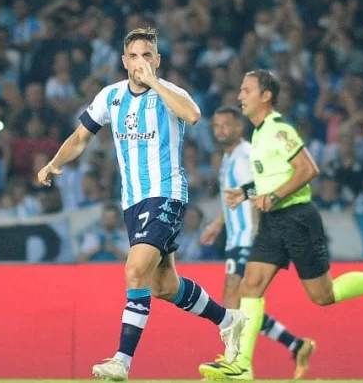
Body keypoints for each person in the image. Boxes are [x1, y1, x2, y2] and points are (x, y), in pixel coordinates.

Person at [36, 28, 247, 382]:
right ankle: (229, 320)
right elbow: (81, 136)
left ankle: (122, 361)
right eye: (134, 56)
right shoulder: (111, 96)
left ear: (157, 60)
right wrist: (54, 162)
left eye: (147, 56)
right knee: (164, 286)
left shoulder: (170, 94)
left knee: (135, 270)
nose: (140, 62)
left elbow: (194, 115)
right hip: (132, 202)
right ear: (124, 61)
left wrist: (155, 83)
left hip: (166, 193)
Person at [198, 70, 363, 381]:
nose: (240, 96)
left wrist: (274, 197)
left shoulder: (278, 129)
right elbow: (273, 177)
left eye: (247, 90)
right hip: (273, 221)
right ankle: (241, 366)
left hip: (297, 219)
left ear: (266, 96)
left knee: (323, 295)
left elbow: (308, 169)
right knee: (250, 286)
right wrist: (246, 192)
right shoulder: (259, 134)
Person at [200, 105, 316, 379]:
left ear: (239, 127)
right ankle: (295, 344)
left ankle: (235, 363)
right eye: (216, 126)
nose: (220, 131)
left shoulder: (245, 154)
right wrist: (218, 224)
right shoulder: (228, 157)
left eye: (226, 125)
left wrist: (257, 231)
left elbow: (259, 188)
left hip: (248, 236)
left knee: (233, 298)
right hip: (236, 237)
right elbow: (236, 196)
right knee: (240, 303)